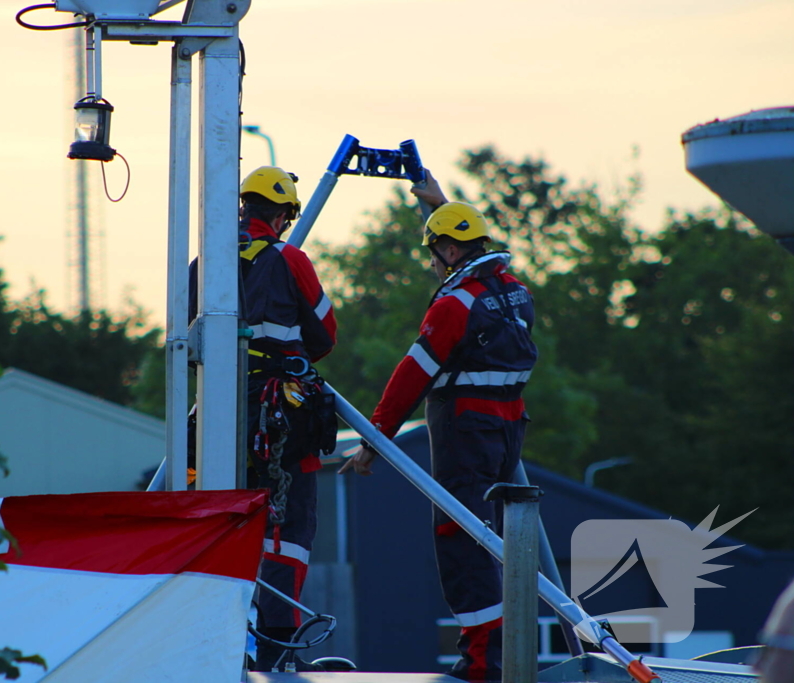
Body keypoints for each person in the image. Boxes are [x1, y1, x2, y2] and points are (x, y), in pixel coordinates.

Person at [338, 171, 537, 681]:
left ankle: (482, 662)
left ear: (450, 251)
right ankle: (501, 655)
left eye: (434, 252)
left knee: (460, 540)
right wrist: (439, 204)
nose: (432, 263)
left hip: (465, 433)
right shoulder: (514, 292)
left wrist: (373, 441)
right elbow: (468, 259)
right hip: (506, 433)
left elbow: (412, 376)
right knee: (495, 543)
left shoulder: (453, 305)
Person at [189, 166, 338, 672]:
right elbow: (324, 335)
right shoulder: (289, 259)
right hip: (279, 416)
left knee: (217, 522)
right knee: (288, 530)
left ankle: (215, 644)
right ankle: (277, 654)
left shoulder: (203, 264)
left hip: (215, 414)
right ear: (281, 216)